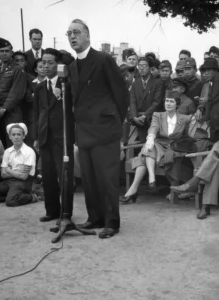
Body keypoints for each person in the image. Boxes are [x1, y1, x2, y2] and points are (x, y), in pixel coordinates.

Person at [68, 18, 128, 238]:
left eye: (76, 32)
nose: (72, 37)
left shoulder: (103, 59)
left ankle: (112, 222)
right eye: (69, 34)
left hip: (105, 130)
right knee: (89, 179)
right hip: (83, 131)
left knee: (107, 179)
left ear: (88, 36)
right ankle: (95, 218)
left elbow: (121, 94)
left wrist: (114, 123)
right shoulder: (72, 67)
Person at [120, 91, 194, 204]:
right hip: (158, 145)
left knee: (143, 157)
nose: (168, 104)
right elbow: (153, 127)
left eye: (171, 102)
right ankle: (151, 178)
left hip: (173, 148)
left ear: (177, 104)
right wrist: (150, 138)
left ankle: (133, 190)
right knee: (151, 145)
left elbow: (194, 127)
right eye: (167, 101)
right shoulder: (158, 115)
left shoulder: (184, 118)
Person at [33, 48, 75, 224]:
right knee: (48, 176)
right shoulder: (40, 86)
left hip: (62, 137)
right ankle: (52, 210)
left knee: (64, 175)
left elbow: (73, 112)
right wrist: (36, 136)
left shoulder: (66, 84)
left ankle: (65, 214)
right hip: (45, 137)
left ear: (58, 64)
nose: (46, 66)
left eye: (50, 62)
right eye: (43, 62)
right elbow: (37, 113)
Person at [0, 123, 38, 206]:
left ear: (23, 136)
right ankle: (13, 196)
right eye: (13, 134)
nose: (16, 137)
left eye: (19, 134)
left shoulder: (29, 152)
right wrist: (17, 172)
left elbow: (24, 176)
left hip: (23, 182)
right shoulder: (7, 151)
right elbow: (3, 174)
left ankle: (31, 197)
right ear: (10, 137)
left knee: (10, 202)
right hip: (10, 181)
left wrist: (9, 170)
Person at [0, 38, 27, 147]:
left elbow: (16, 92)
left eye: (7, 51)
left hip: (11, 110)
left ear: (11, 52)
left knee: (12, 140)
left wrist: (4, 108)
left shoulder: (17, 69)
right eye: (2, 51)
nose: (4, 53)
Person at [130, 56, 162, 141]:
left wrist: (145, 116)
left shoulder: (157, 83)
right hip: (137, 120)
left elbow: (157, 102)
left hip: (151, 119)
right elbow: (132, 101)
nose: (141, 68)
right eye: (139, 66)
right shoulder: (135, 83)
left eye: (144, 66)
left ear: (150, 68)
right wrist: (134, 117)